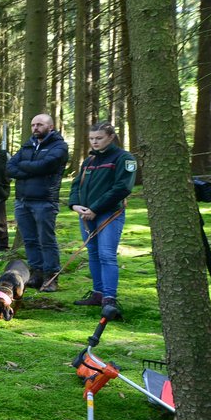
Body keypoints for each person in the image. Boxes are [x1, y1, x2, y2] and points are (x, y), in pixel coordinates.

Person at [68, 121, 136, 320]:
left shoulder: (124, 158)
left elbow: (122, 188)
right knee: (93, 252)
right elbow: (76, 184)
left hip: (109, 214)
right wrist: (74, 205)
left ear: (111, 137)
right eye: (91, 138)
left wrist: (95, 209)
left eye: (99, 138)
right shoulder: (89, 160)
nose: (94, 142)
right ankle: (97, 294)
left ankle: (109, 299)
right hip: (86, 214)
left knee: (107, 254)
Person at [7, 113, 69, 292]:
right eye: (33, 125)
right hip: (22, 201)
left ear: (50, 127)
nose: (35, 128)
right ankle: (36, 273)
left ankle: (52, 277)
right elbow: (10, 168)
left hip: (44, 201)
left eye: (39, 125)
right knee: (30, 240)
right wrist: (33, 168)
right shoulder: (28, 145)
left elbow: (46, 166)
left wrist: (25, 166)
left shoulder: (60, 146)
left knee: (46, 240)